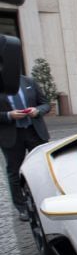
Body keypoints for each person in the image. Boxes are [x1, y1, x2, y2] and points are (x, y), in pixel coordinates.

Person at [0, 75, 51, 221]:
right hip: (11, 136)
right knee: (14, 173)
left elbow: (45, 104)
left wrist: (37, 110)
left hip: (34, 131)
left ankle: (46, 201)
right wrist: (8, 115)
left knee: (42, 168)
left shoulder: (28, 81)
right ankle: (22, 207)